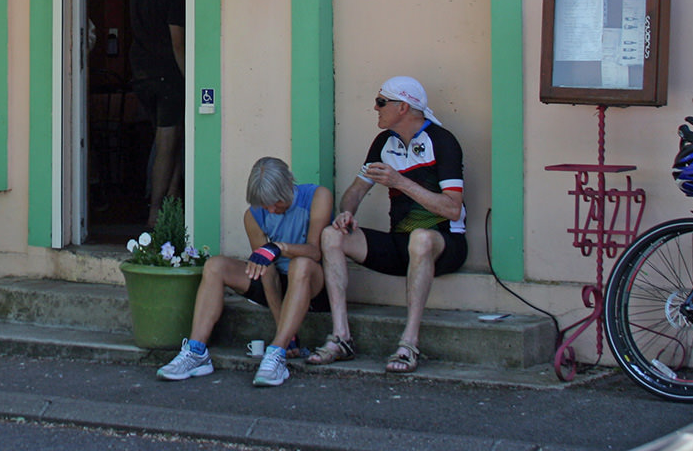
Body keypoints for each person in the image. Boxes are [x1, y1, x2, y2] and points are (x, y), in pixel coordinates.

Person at [307, 76, 467, 374]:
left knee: (420, 237)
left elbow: (452, 209)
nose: (375, 108)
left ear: (403, 107)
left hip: (445, 244)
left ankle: (409, 343)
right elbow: (355, 191)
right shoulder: (384, 142)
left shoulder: (442, 142)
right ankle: (341, 337)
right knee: (332, 235)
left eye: (381, 102)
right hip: (400, 245)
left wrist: (400, 182)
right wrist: (347, 213)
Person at [156, 157, 333, 388]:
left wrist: (280, 248)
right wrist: (284, 326)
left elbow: (314, 252)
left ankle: (276, 353)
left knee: (300, 265)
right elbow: (265, 270)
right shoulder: (254, 215)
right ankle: (196, 352)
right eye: (265, 204)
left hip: (311, 280)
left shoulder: (318, 197)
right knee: (215, 266)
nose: (271, 209)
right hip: (276, 281)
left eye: (276, 202)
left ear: (289, 183)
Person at [129, 0, 185, 227]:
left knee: (172, 140)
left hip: (140, 73)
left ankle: (173, 205)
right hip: (167, 76)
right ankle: (154, 214)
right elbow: (178, 41)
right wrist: (188, 77)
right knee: (167, 143)